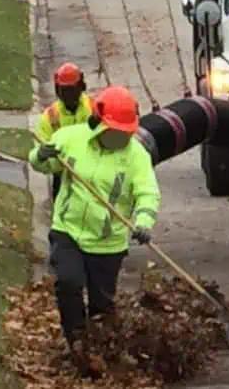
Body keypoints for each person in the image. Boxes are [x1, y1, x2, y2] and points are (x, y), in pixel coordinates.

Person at [29, 85, 160, 357]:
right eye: (117, 131)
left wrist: (144, 221)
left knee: (102, 304)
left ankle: (103, 349)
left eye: (127, 132)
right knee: (68, 282)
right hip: (69, 231)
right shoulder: (69, 138)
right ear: (99, 124)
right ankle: (76, 341)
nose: (123, 137)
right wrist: (40, 156)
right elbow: (43, 165)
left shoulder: (137, 157)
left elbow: (147, 192)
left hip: (107, 243)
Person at [36, 62, 94, 199]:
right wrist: (43, 155)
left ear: (81, 87)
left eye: (72, 90)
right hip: (63, 175)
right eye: (65, 91)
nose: (69, 95)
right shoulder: (49, 117)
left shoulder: (94, 108)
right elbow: (40, 157)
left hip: (92, 174)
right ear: (58, 91)